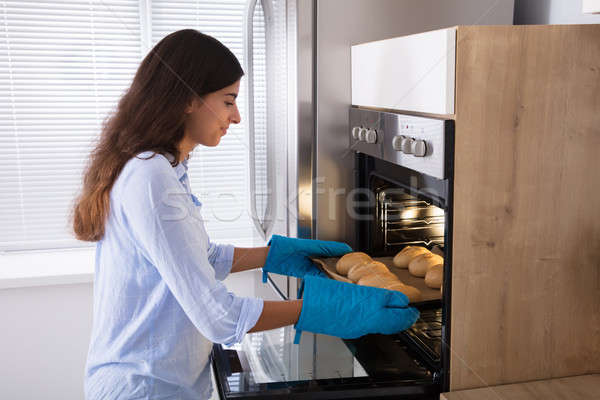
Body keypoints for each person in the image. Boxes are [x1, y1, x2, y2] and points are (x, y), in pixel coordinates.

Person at [72, 29, 418, 400]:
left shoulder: (166, 168)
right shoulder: (150, 178)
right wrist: (324, 308)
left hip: (163, 382)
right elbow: (217, 316)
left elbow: (198, 258)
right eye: (227, 101)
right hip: (144, 388)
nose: (236, 117)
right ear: (189, 100)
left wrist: (278, 255)